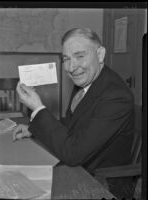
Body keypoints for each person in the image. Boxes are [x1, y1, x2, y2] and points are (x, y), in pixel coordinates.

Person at [13, 28, 135, 198]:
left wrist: (38, 108)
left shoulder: (116, 96)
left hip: (103, 182)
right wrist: (33, 128)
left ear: (100, 54)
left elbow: (73, 154)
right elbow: (74, 124)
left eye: (80, 56)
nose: (71, 67)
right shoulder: (86, 80)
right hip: (79, 168)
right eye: (66, 59)